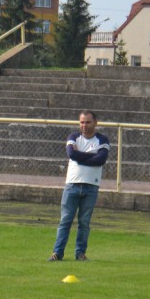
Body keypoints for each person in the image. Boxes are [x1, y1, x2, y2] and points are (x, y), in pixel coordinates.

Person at [49, 110, 110, 261]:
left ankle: (80, 254)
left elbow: (101, 159)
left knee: (84, 223)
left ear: (95, 123)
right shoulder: (73, 137)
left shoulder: (102, 139)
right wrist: (92, 156)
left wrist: (80, 156)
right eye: (82, 122)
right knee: (65, 221)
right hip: (72, 185)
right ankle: (57, 253)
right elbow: (72, 154)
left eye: (88, 122)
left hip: (91, 186)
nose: (84, 125)